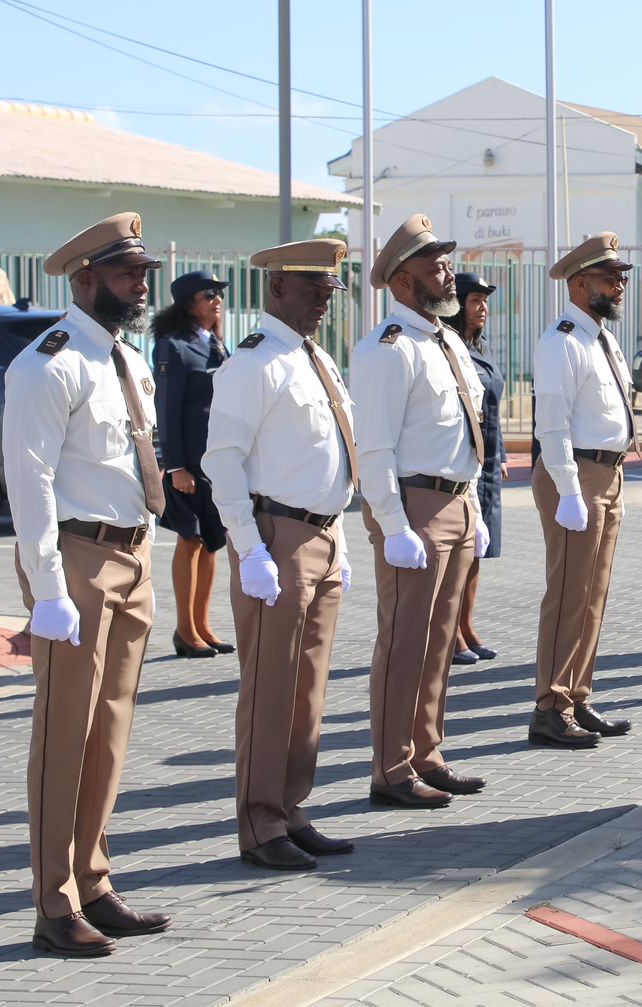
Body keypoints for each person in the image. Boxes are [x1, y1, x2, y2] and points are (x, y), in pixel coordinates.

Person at [3, 213, 172, 957]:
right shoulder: (50, 363)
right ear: (84, 279)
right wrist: (46, 591)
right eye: (125, 273)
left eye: (141, 274)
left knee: (109, 731)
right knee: (64, 735)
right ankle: (53, 901)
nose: (139, 285)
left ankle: (94, 880)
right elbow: (30, 483)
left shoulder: (127, 361)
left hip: (131, 554)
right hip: (75, 561)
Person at [202, 239, 357, 872]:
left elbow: (332, 456)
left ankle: (292, 808)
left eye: (328, 291)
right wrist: (248, 548)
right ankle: (260, 823)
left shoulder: (314, 358)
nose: (323, 301)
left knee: (307, 690)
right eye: (312, 290)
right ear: (277, 289)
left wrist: (338, 537)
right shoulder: (255, 363)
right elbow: (222, 461)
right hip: (276, 537)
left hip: (321, 534)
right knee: (270, 689)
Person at [351, 214, 490, 809]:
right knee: (405, 640)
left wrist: (475, 506)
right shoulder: (387, 349)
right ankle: (391, 767)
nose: (448, 274)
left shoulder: (446, 338)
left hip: (456, 499)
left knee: (439, 640)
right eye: (436, 267)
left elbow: (464, 428)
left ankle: (426, 750)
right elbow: (374, 445)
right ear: (403, 281)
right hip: (414, 504)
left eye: (447, 262)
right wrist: (391, 523)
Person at [528, 232, 636, 749]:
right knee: (569, 592)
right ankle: (549, 706)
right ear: (578, 283)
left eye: (620, 279)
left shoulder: (601, 337)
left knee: (593, 595)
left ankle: (576, 694)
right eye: (608, 279)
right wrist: (569, 490)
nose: (618, 287)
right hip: (576, 475)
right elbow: (552, 425)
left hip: (608, 474)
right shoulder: (563, 341)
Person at [153, 270, 233, 658]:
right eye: (208, 294)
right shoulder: (174, 346)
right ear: (188, 304)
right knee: (191, 540)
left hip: (215, 462)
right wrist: (176, 466)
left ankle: (203, 625)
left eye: (219, 294)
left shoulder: (216, 343)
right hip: (188, 464)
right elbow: (167, 411)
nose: (217, 300)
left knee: (212, 543)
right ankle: (185, 631)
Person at [443, 272, 505, 667]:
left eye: (485, 301)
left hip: (487, 463)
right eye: (474, 301)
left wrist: (496, 462)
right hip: (463, 461)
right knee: (460, 552)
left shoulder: (479, 348)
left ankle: (466, 624)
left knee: (479, 549)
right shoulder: (449, 349)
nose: (482, 308)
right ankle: (450, 633)